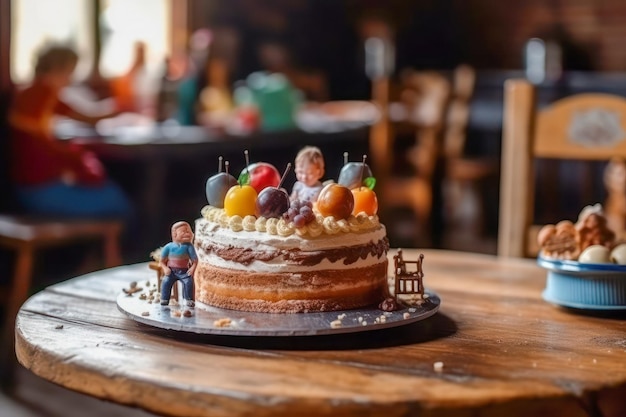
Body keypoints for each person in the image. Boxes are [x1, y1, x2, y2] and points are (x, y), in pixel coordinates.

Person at [7, 44, 132, 219]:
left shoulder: (37, 92)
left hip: (30, 184)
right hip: (36, 188)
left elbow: (88, 117)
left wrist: (118, 107)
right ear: (58, 69)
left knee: (107, 191)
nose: (70, 79)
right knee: (116, 199)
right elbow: (39, 147)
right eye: (69, 72)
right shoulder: (40, 93)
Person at [159, 221, 198, 307]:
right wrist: (165, 268)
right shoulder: (168, 247)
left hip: (184, 271)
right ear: (174, 234)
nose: (187, 233)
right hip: (171, 272)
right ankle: (164, 299)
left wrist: (192, 268)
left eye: (188, 231)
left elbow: (195, 261)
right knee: (166, 282)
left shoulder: (189, 246)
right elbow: (161, 261)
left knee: (189, 282)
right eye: (183, 231)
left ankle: (189, 299)